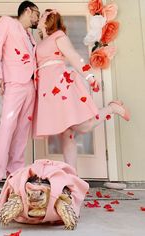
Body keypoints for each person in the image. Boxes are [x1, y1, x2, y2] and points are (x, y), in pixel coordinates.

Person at [33, 9, 130, 170]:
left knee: (83, 126)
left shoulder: (58, 36)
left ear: (48, 19)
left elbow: (73, 56)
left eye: (42, 15)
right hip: (47, 90)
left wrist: (89, 77)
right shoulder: (41, 42)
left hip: (60, 86)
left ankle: (112, 108)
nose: (39, 17)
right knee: (67, 133)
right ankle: (72, 177)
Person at [0, 1, 40, 197]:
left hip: (31, 86)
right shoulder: (6, 23)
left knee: (22, 132)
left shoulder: (31, 36)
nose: (37, 18)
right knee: (6, 127)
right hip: (14, 84)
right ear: (28, 10)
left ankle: (15, 176)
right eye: (36, 14)